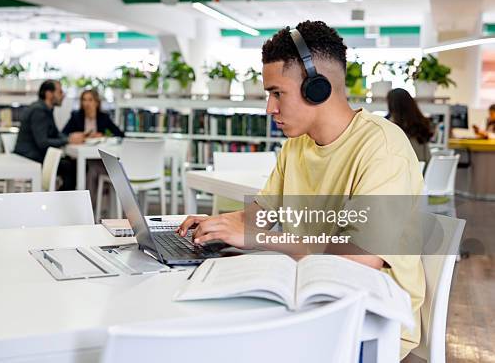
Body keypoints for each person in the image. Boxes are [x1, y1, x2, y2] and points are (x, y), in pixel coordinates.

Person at [177, 21, 425, 359]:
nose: (270, 109)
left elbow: (360, 258)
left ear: (317, 88)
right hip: (311, 300)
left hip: (370, 322)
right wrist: (217, 225)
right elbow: (259, 216)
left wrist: (258, 238)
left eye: (277, 93)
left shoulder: (383, 147)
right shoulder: (296, 146)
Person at [15, 79, 85, 190]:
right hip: (30, 157)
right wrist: (68, 140)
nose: (63, 95)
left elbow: (56, 134)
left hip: (35, 154)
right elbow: (43, 143)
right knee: (71, 168)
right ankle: (60, 201)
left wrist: (70, 137)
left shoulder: (46, 109)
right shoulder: (39, 111)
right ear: (49, 94)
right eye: (60, 92)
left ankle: (60, 198)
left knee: (72, 165)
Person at [62, 89, 124, 206]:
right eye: (84, 100)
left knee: (93, 169)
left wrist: (103, 135)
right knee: (91, 169)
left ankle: (89, 205)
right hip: (79, 157)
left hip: (98, 157)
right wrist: (79, 136)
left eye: (90, 100)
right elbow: (64, 134)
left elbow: (120, 135)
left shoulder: (103, 117)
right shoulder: (76, 116)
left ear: (96, 102)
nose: (87, 103)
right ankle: (88, 204)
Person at [386, 88, 433, 163]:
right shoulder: (421, 124)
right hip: (423, 172)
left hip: (406, 172)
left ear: (392, 106)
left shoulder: (391, 127)